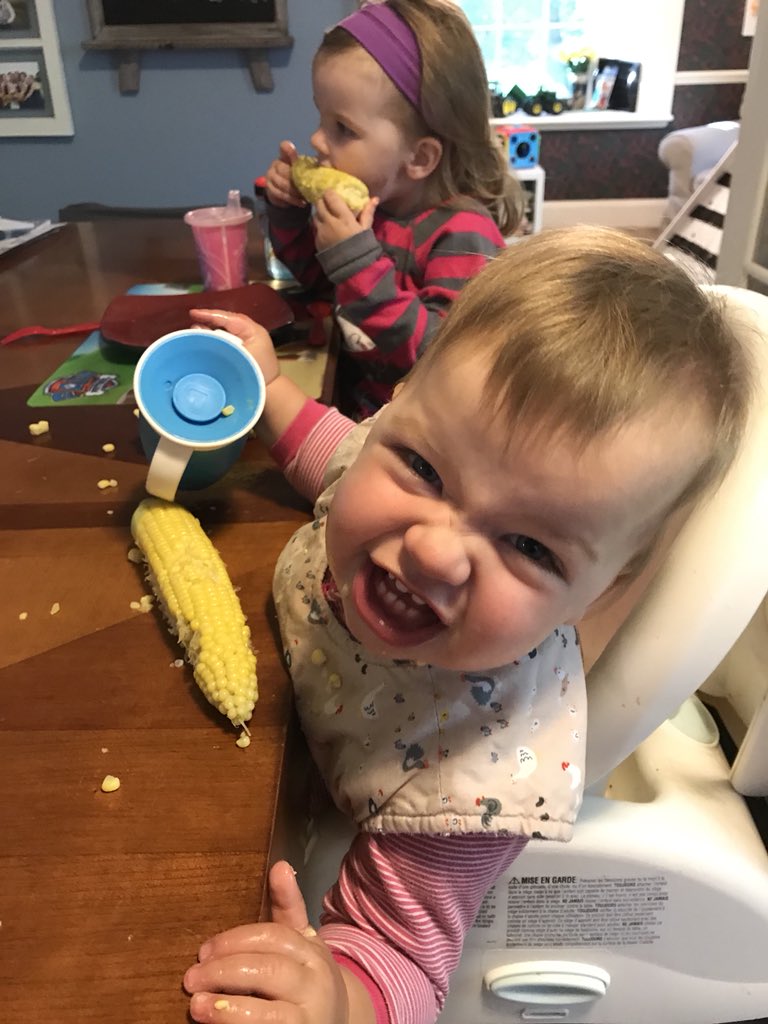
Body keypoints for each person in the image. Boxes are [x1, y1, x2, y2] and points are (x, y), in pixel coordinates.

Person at [182, 226, 751, 1024]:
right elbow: (336, 455)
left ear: (601, 589)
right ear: (399, 405)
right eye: (421, 468)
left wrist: (336, 999)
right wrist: (272, 392)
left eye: (528, 546)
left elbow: (405, 965)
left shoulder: (468, 780)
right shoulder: (385, 454)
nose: (434, 550)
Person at [263, 0, 522, 420]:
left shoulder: (463, 235)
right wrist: (288, 213)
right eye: (321, 118)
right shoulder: (374, 209)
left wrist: (357, 265)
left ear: (419, 158)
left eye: (343, 129)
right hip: (359, 408)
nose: (317, 140)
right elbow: (317, 280)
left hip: (423, 435)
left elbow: (442, 360)